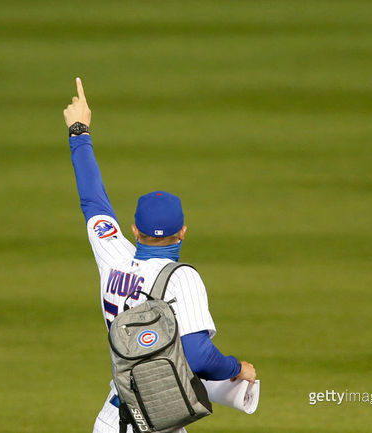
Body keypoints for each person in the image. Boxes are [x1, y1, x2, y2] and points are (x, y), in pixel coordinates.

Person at [63, 78, 256, 433]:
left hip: (110, 420)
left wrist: (79, 130)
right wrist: (237, 368)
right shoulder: (182, 278)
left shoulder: (113, 255)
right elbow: (198, 355)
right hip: (159, 422)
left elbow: (92, 199)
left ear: (134, 230)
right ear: (183, 231)